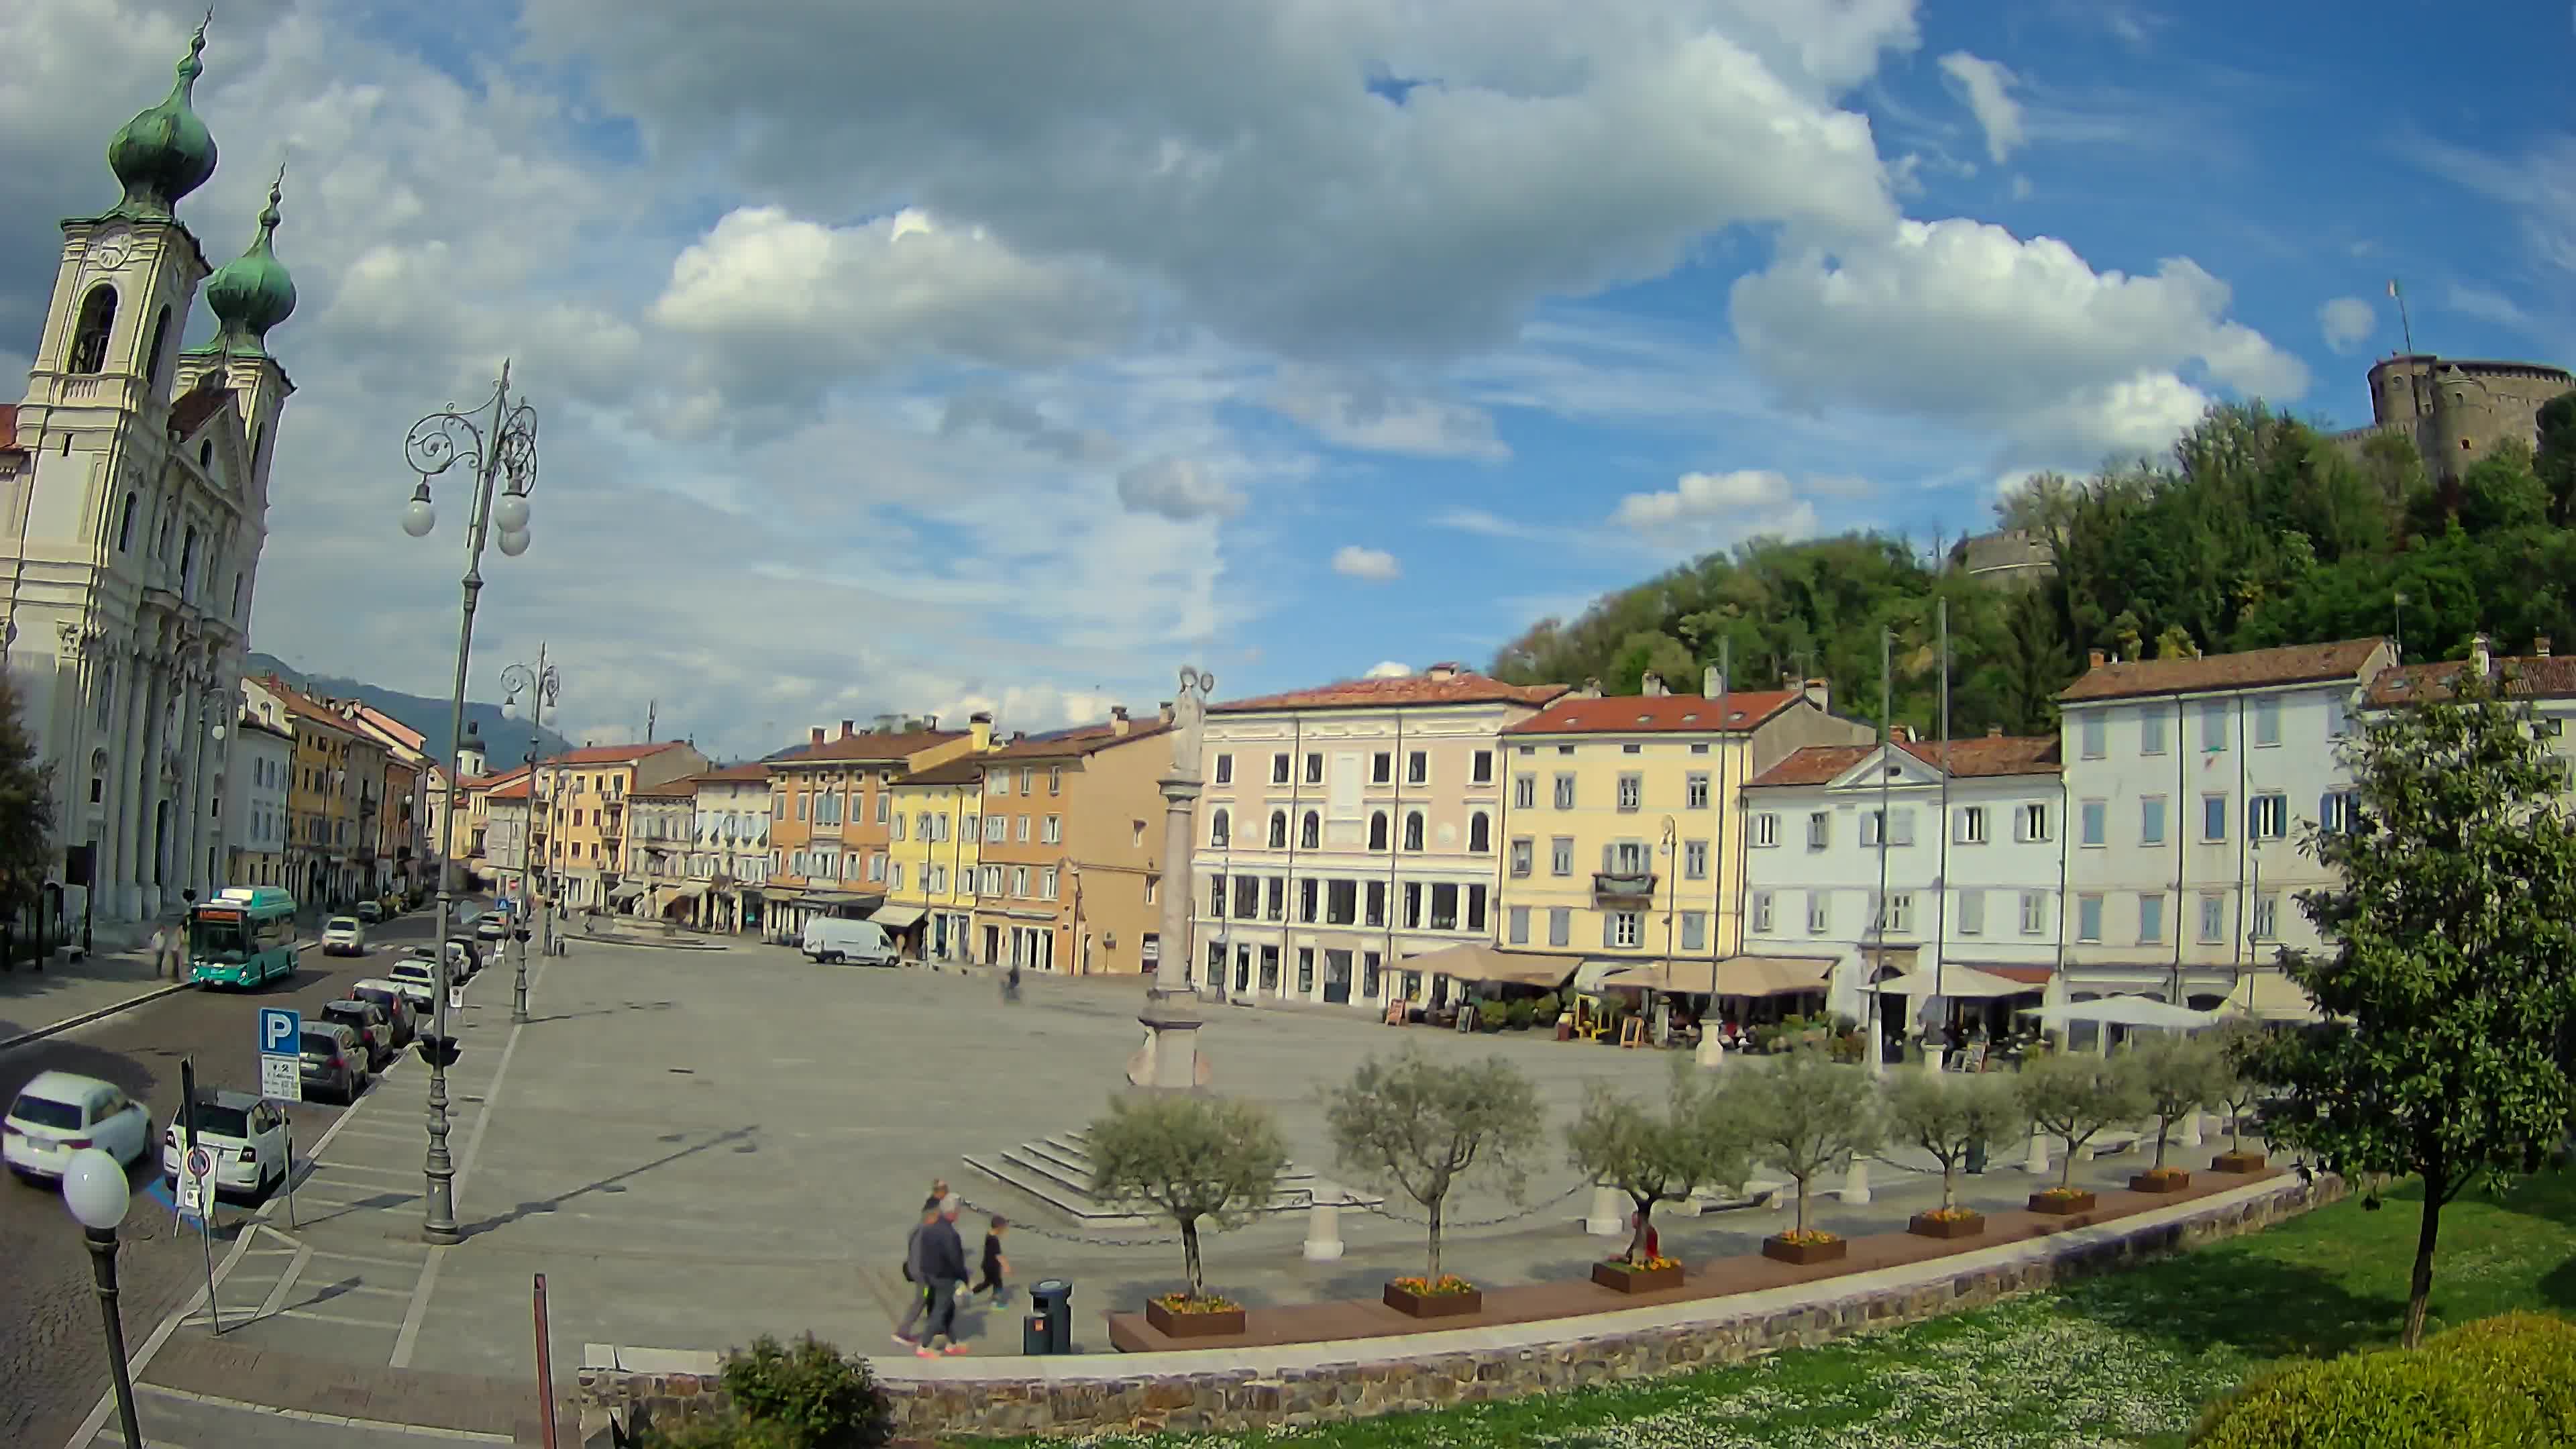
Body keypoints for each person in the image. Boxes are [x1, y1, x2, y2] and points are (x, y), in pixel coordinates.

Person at [916, 1195, 972, 1356]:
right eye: (958, 1211)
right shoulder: (950, 1235)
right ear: (953, 1213)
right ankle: (924, 1345)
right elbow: (956, 1261)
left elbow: (923, 1254)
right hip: (945, 1278)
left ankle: (952, 1342)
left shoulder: (929, 1229)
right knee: (940, 1311)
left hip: (930, 1275)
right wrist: (964, 1279)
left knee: (948, 1309)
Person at [890, 1195, 942, 1348]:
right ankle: (903, 1332)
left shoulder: (918, 1229)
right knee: (922, 1299)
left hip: (917, 1272)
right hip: (924, 1277)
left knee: (926, 1299)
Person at [973, 1215, 1012, 1308]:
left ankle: (971, 1292)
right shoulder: (994, 1240)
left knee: (987, 1283)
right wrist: (1006, 1266)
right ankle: (996, 1303)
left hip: (987, 1265)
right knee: (998, 1284)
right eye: (1004, 1228)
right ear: (999, 1228)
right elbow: (998, 1255)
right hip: (992, 1267)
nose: (1004, 1230)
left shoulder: (989, 1234)